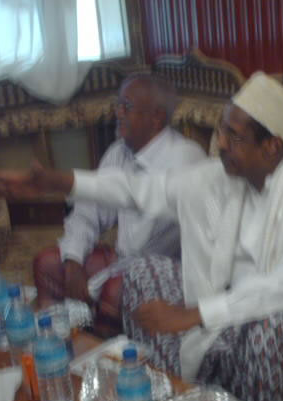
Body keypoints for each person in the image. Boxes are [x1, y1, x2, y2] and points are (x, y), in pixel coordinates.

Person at [0, 71, 283, 401]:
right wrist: (56, 181)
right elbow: (141, 190)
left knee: (268, 326)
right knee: (142, 271)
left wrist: (194, 314)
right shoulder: (226, 176)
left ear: (271, 146)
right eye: (222, 130)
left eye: (234, 137)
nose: (220, 143)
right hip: (235, 296)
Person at [32, 73, 207, 327]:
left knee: (113, 291)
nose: (118, 113)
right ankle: (59, 339)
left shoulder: (185, 158)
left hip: (170, 272)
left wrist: (99, 281)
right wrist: (73, 260)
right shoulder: (119, 151)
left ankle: (103, 346)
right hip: (123, 262)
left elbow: (152, 249)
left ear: (156, 117)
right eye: (118, 105)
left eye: (127, 106)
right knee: (48, 264)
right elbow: (86, 212)